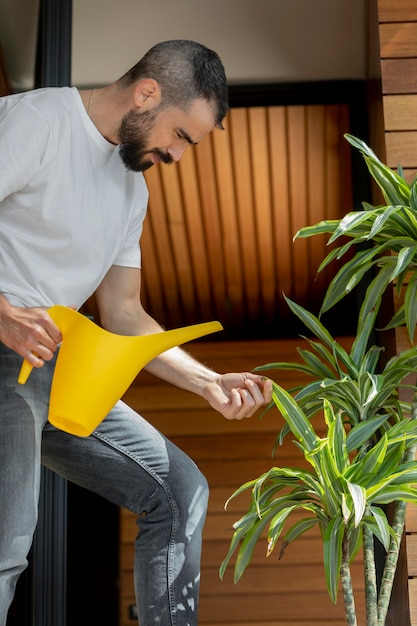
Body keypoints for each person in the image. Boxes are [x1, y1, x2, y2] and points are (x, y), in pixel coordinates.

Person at [0, 39, 272, 625]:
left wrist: (207, 383)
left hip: (55, 369)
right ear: (147, 93)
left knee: (178, 492)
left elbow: (124, 313)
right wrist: (3, 313)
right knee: (6, 547)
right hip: (4, 352)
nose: (176, 155)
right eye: (180, 136)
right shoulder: (41, 121)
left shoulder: (130, 192)